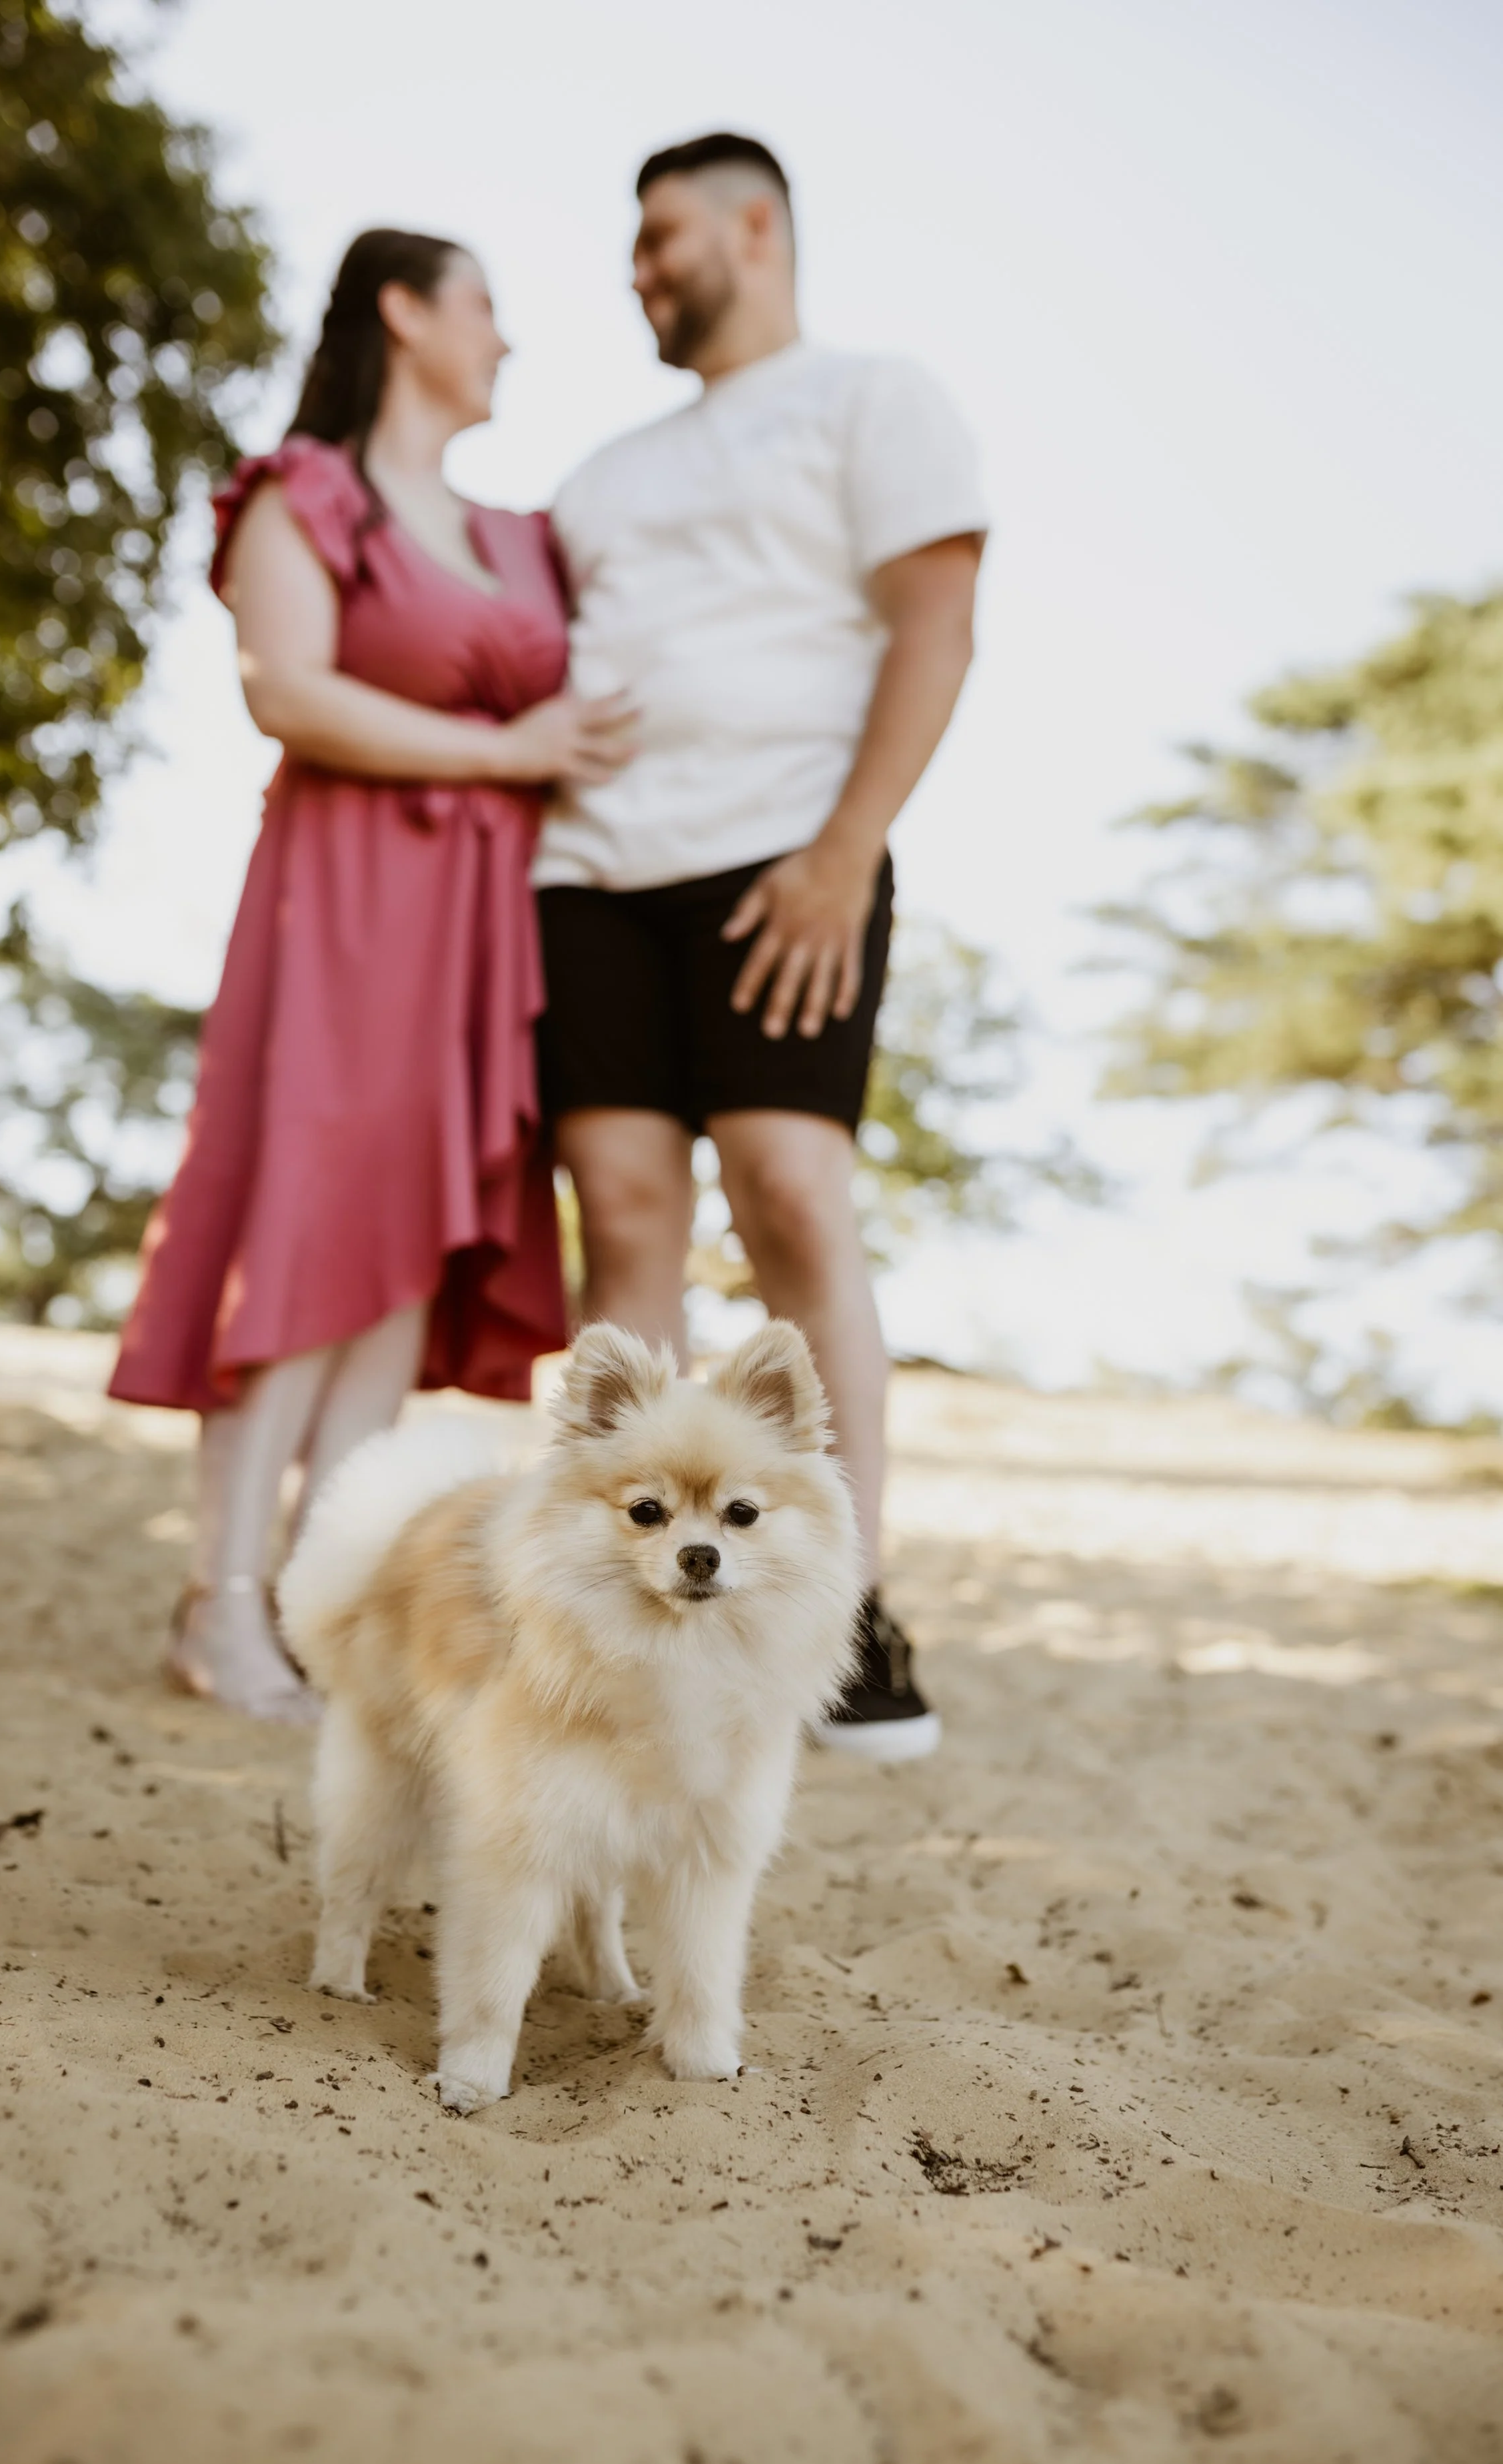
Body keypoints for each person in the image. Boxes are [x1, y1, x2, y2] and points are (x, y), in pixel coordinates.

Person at [108, 230, 635, 1720]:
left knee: (402, 1254)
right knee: (305, 1232)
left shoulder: (522, 537)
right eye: (484, 307)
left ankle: (310, 1604)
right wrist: (505, 752)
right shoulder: (308, 491)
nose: (506, 340)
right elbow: (288, 689)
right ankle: (216, 1601)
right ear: (402, 313)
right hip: (347, 900)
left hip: (483, 923)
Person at [537, 134, 987, 1762]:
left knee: (789, 1190)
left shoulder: (873, 398)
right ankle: (621, 1611)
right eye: (632, 242)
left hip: (781, 858)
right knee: (624, 1220)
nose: (640, 267)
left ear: (754, 226)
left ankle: (840, 1603)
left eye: (662, 235)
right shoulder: (598, 477)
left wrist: (844, 849)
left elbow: (936, 623)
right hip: (585, 873)